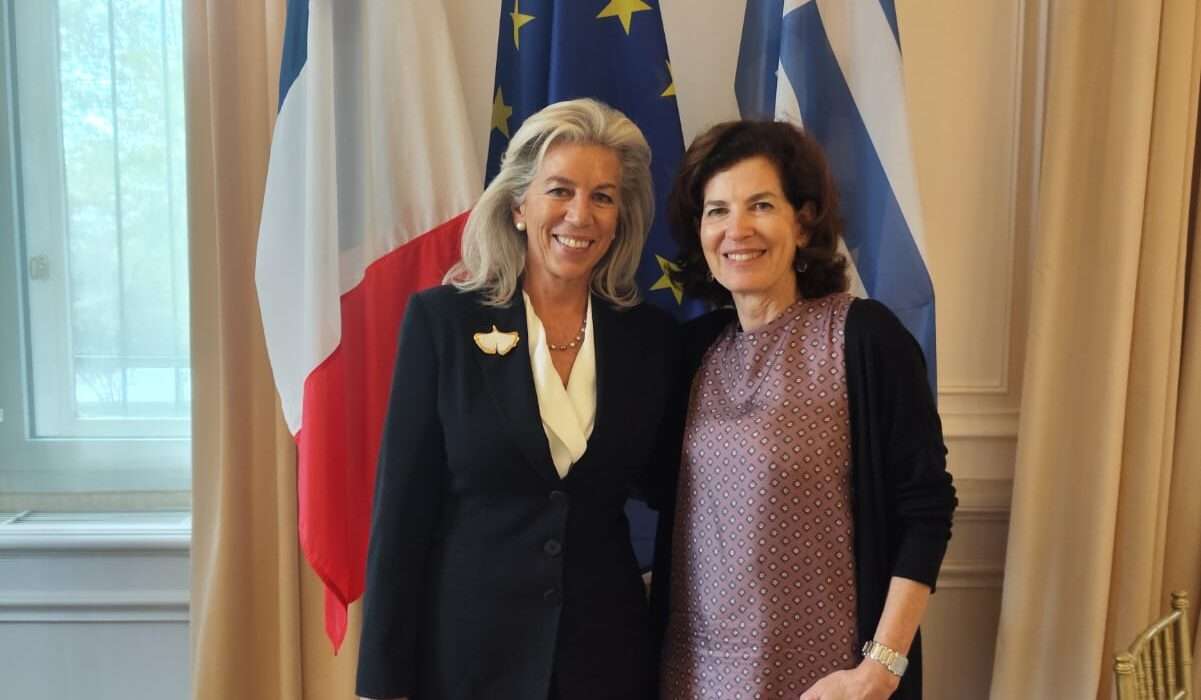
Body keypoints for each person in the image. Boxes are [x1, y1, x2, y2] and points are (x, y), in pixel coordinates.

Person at [355, 98, 677, 700]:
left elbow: (678, 492)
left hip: (606, 658)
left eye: (603, 197)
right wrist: (382, 681)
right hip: (469, 659)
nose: (580, 215)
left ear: (620, 217)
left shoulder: (650, 339)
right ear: (518, 206)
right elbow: (402, 511)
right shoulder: (443, 323)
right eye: (560, 191)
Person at [650, 120, 956, 700]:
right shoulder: (690, 355)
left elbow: (926, 508)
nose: (736, 229)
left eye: (761, 205)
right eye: (716, 211)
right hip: (693, 677)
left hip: (829, 681)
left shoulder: (864, 338)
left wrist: (881, 669)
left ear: (803, 220)